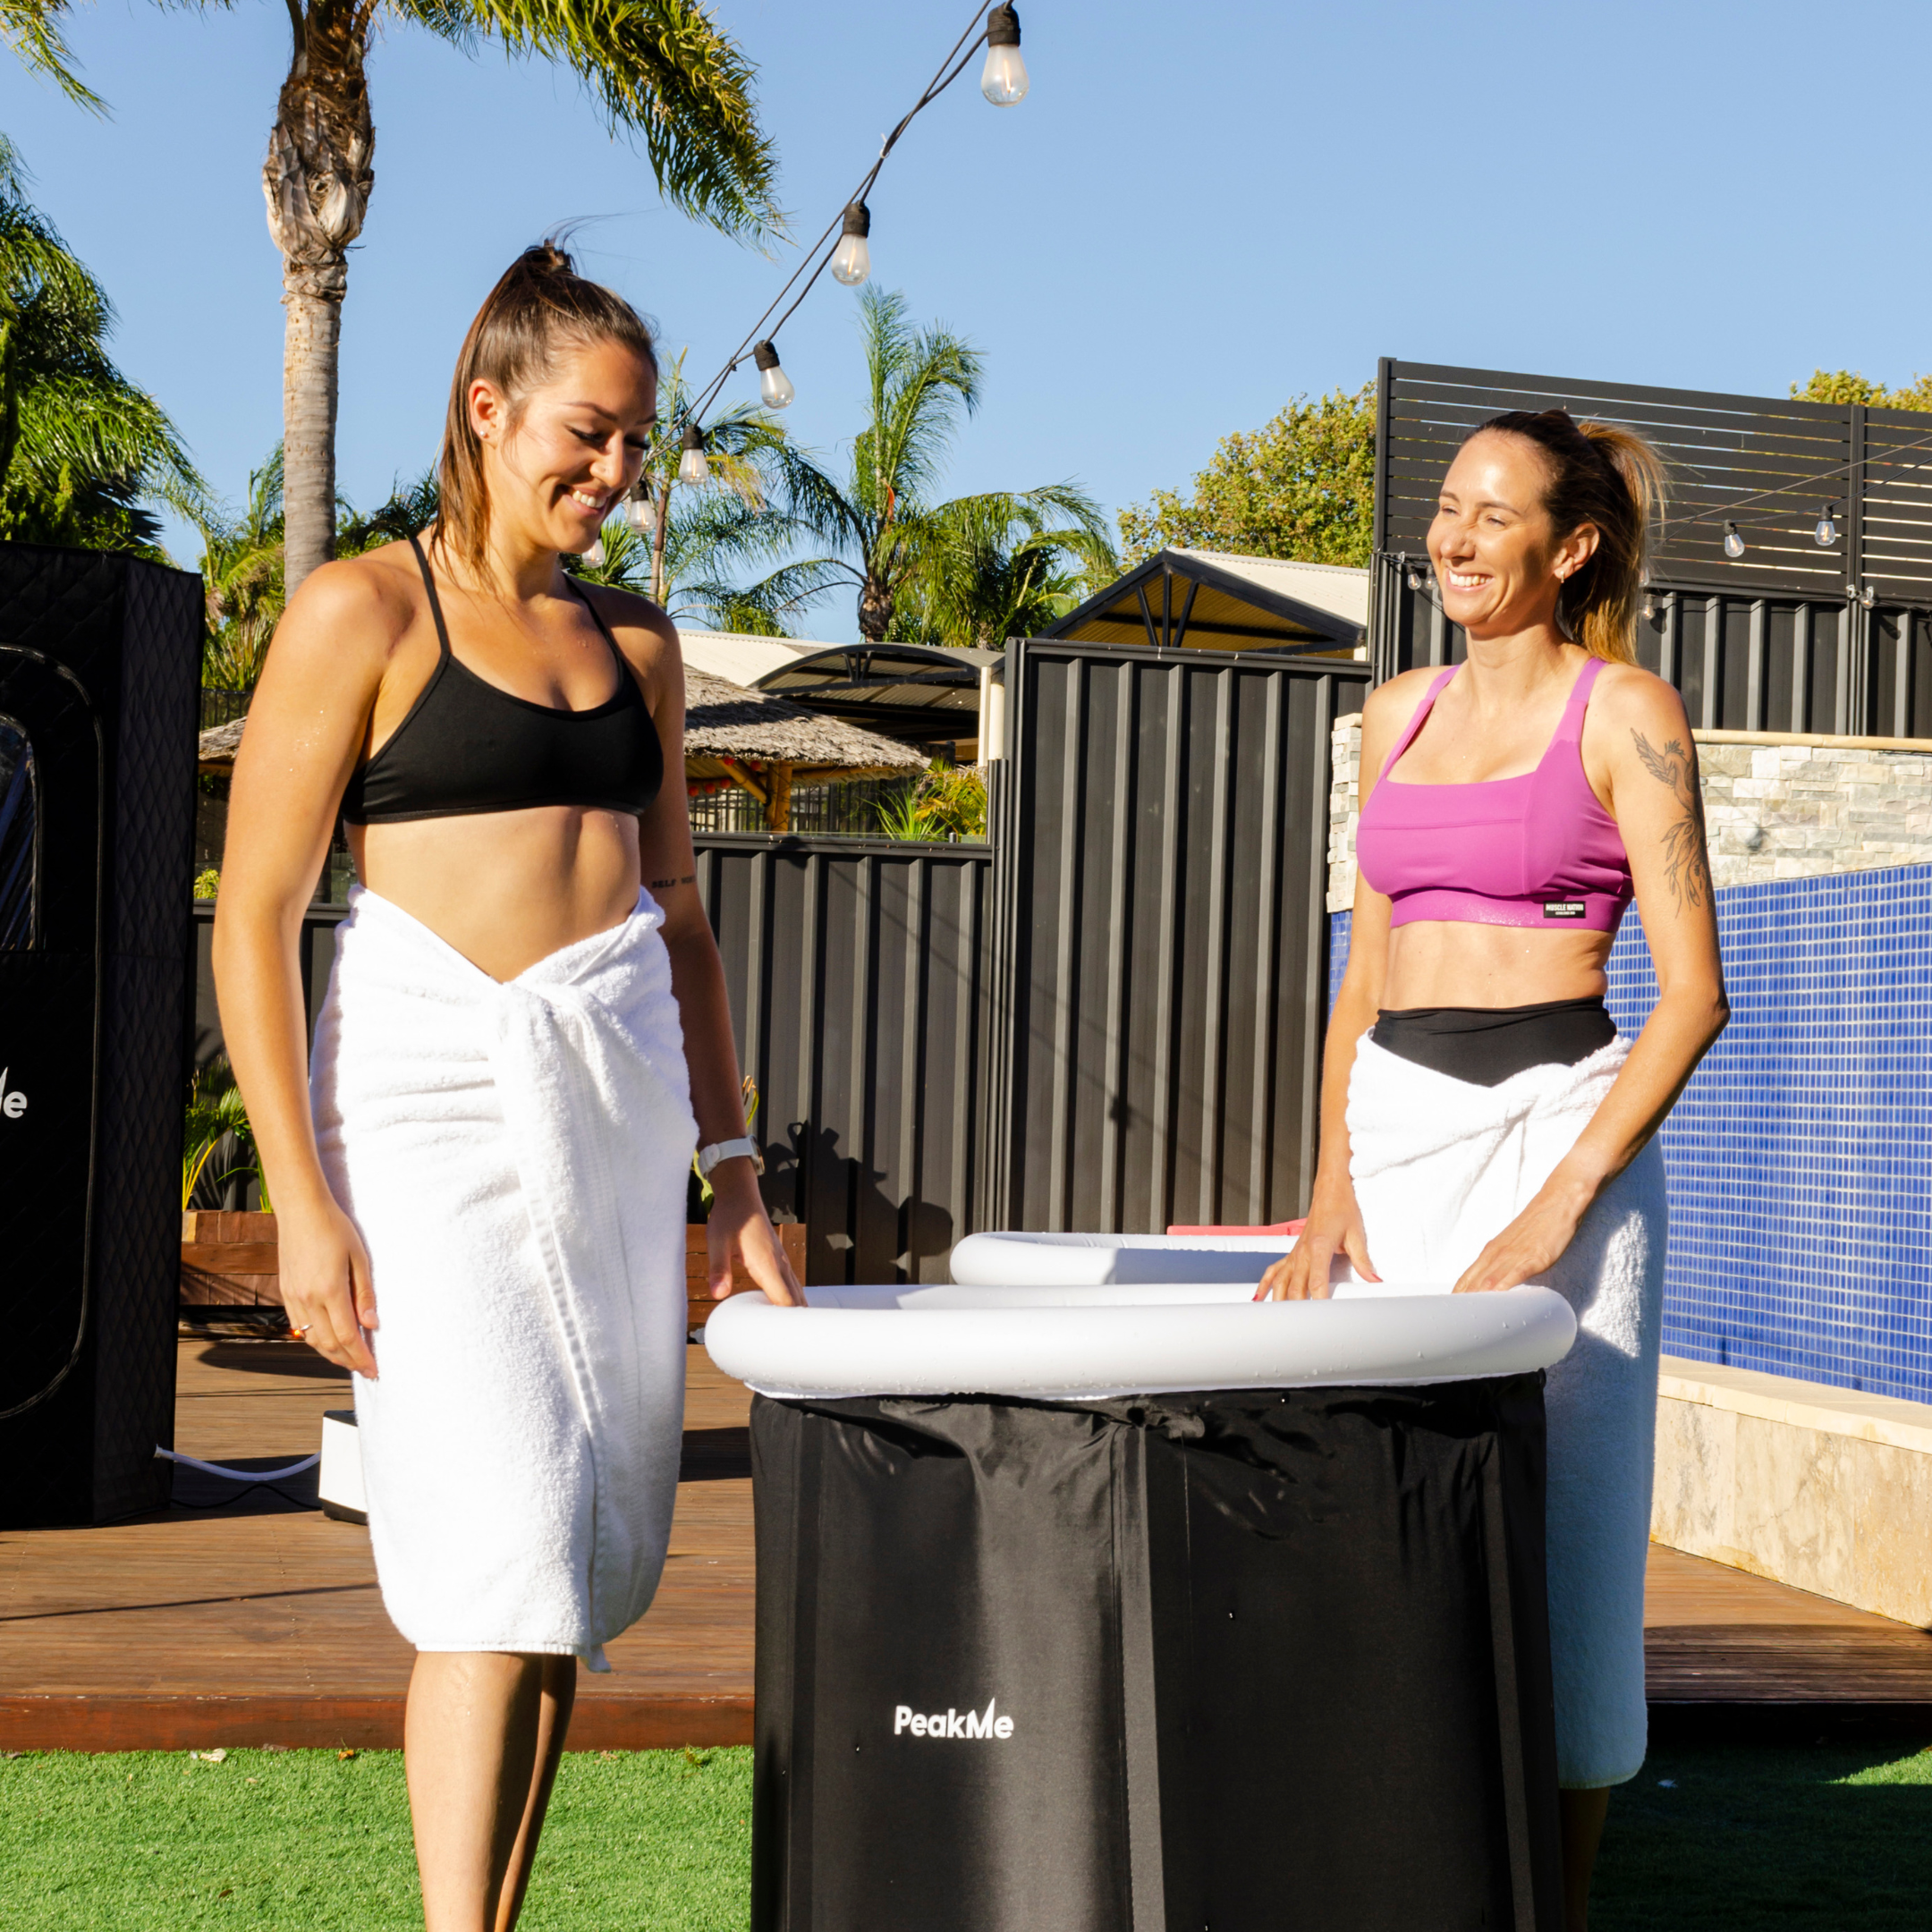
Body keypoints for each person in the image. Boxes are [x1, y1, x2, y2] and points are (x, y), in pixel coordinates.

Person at [214, 242, 801, 1932]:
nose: (614, 476)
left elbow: (676, 917)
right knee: (492, 1555)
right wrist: (300, 1203)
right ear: (488, 409)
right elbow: (255, 914)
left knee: (564, 1568)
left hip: (606, 1125)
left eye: (633, 445)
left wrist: (736, 1171)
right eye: (586, 435)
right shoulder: (364, 613)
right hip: (432, 1117)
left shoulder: (642, 645)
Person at [1258, 409, 1727, 1930]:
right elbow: (1362, 971)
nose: (1452, 540)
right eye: (1444, 511)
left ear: (1569, 545)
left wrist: (1562, 1204)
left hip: (1560, 1140)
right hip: (1396, 1142)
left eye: (1489, 515)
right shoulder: (1393, 710)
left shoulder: (1625, 714)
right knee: (1385, 1516)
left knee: (1569, 1550)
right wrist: (1330, 1183)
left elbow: (1695, 994)